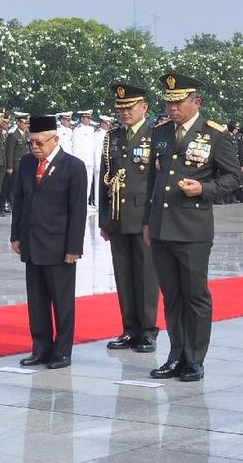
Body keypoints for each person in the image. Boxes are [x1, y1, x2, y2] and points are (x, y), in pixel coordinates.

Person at [144, 73, 242, 382]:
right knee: (172, 296)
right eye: (168, 103)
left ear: (196, 102)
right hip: (161, 227)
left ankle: (195, 359)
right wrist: (147, 221)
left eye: (178, 103)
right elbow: (152, 181)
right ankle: (176, 356)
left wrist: (204, 189)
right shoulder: (160, 132)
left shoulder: (214, 134)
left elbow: (233, 177)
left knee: (195, 296)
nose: (172, 108)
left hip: (192, 228)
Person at [11, 115, 87, 370]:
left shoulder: (73, 166)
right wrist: (16, 235)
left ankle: (62, 352)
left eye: (39, 143)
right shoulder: (26, 163)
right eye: (31, 142)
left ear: (55, 140)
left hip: (59, 246)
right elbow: (19, 200)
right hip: (32, 243)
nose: (34, 147)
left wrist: (74, 248)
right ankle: (40, 348)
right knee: (37, 301)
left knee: (62, 303)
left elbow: (78, 210)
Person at [99, 83, 160, 353]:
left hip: (143, 215)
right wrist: (104, 218)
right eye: (121, 108)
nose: (125, 112)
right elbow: (105, 178)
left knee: (146, 275)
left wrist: (154, 218)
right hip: (118, 215)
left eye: (130, 107)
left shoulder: (156, 134)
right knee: (123, 274)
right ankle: (129, 329)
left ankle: (147, 330)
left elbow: (159, 180)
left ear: (144, 107)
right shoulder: (112, 137)